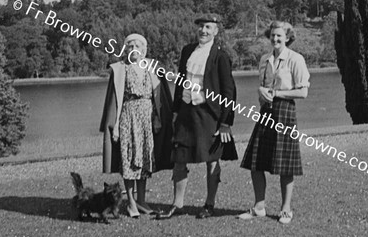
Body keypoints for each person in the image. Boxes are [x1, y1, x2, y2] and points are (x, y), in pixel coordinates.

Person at [157, 14, 237, 219]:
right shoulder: (187, 51)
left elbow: (229, 91)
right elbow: (181, 82)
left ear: (216, 31)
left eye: (208, 27)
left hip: (209, 113)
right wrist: (175, 111)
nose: (203, 31)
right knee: (179, 158)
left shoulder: (221, 56)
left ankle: (209, 204)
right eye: (201, 27)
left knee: (212, 159)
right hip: (186, 112)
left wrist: (226, 122)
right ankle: (178, 203)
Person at [238, 21, 310, 224]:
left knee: (285, 164)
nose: (275, 39)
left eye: (279, 36)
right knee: (255, 161)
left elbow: (303, 91)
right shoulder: (264, 59)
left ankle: (286, 209)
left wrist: (277, 93)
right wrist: (262, 94)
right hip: (265, 111)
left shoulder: (295, 59)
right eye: (272, 35)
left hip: (285, 110)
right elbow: (263, 87)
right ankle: (259, 207)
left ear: (287, 37)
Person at [100, 33, 173, 217]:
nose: (134, 51)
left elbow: (157, 96)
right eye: (130, 47)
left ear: (144, 50)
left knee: (145, 159)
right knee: (129, 159)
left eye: (137, 47)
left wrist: (157, 118)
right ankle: (131, 203)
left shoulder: (152, 68)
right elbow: (115, 101)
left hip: (147, 116)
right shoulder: (121, 70)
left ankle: (141, 200)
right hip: (128, 116)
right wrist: (115, 126)